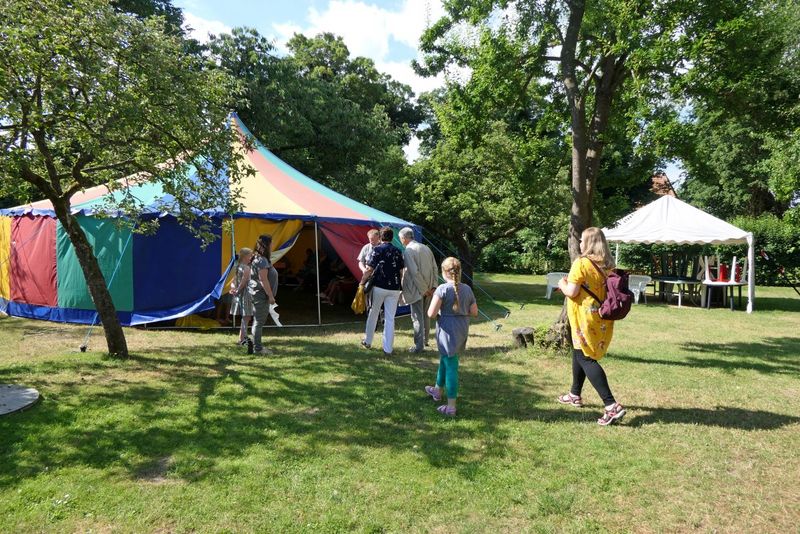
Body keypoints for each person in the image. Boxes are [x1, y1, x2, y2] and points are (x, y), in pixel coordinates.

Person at [556, 227, 626, 426]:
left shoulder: (581, 263)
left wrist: (561, 284)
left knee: (585, 357)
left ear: (588, 243)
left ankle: (611, 406)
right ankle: (574, 394)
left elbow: (571, 291)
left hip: (584, 318)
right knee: (579, 351)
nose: (579, 243)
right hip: (601, 317)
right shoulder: (608, 265)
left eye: (582, 240)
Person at [424, 257, 477, 417]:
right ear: (459, 271)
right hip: (461, 329)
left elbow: (431, 313)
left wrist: (444, 314)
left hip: (447, 330)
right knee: (445, 359)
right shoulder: (467, 289)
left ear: (443, 272)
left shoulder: (442, 289)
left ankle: (451, 406)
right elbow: (474, 312)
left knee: (451, 365)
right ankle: (437, 390)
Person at [360, 227, 404, 354]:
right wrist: (400, 285)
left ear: (380, 237)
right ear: (392, 237)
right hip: (394, 287)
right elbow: (401, 271)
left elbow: (369, 269)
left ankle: (368, 341)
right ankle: (388, 349)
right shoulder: (398, 251)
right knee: (390, 318)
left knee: (373, 313)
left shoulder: (377, 250)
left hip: (379, 286)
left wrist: (362, 282)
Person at [399, 227, 439, 353]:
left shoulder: (408, 250)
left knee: (417, 317)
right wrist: (433, 286)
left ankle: (419, 346)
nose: (400, 241)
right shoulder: (426, 248)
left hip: (417, 288)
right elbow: (435, 268)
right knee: (425, 316)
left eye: (400, 238)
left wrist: (424, 289)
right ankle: (425, 341)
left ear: (404, 238)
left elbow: (414, 272)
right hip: (429, 287)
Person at [250, 234, 278, 355]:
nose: (272, 245)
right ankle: (258, 349)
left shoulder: (259, 259)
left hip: (259, 295)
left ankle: (256, 346)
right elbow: (263, 279)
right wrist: (270, 296)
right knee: (258, 322)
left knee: (257, 322)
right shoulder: (261, 260)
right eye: (271, 243)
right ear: (267, 245)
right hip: (261, 296)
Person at [229, 247, 255, 346]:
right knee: (246, 317)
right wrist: (237, 291)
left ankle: (241, 338)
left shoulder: (238, 266)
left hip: (240, 293)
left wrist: (233, 288)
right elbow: (243, 282)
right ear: (245, 256)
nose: (251, 258)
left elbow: (233, 281)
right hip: (245, 294)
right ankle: (242, 339)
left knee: (245, 317)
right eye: (250, 256)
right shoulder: (246, 268)